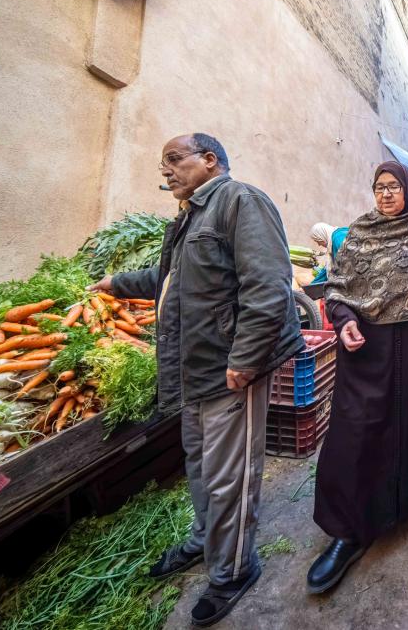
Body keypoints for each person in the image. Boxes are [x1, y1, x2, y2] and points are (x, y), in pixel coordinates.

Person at [90, 133, 303, 626]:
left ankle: (233, 570)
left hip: (230, 371)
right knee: (201, 467)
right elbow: (169, 278)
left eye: (173, 159)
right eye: (162, 162)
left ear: (210, 160)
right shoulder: (189, 218)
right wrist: (116, 284)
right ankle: (204, 540)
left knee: (231, 476)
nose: (165, 170)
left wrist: (245, 361)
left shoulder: (239, 200)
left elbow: (269, 287)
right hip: (193, 371)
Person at [308, 162, 408, 593]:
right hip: (366, 349)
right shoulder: (358, 235)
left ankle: (400, 506)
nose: (386, 194)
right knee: (356, 432)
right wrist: (343, 320)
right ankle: (348, 532)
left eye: (394, 187)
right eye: (379, 188)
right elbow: (337, 287)